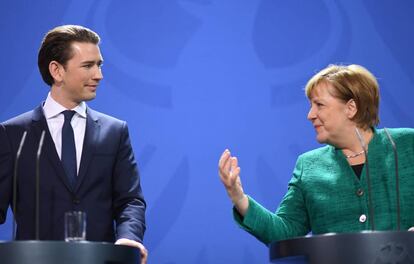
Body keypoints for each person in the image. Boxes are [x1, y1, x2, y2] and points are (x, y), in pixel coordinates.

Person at [218, 64, 414, 245]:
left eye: (319, 105)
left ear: (350, 108)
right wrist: (239, 198)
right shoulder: (309, 166)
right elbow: (285, 233)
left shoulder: (407, 145)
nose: (310, 115)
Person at [0, 25, 148, 262]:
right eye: (88, 65)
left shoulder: (114, 131)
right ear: (57, 71)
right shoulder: (13, 134)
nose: (99, 75)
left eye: (99, 65)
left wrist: (129, 237)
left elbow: (130, 200)